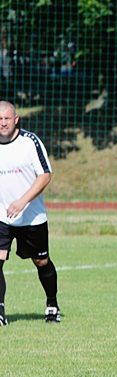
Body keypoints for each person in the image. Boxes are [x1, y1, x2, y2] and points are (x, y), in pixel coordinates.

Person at [0, 100, 61, 325]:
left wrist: (22, 201)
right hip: (2, 217)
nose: (2, 123)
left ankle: (52, 305)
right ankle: (0, 311)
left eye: (6, 118)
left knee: (41, 262)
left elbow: (45, 175)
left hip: (31, 217)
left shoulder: (30, 142)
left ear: (16, 120)